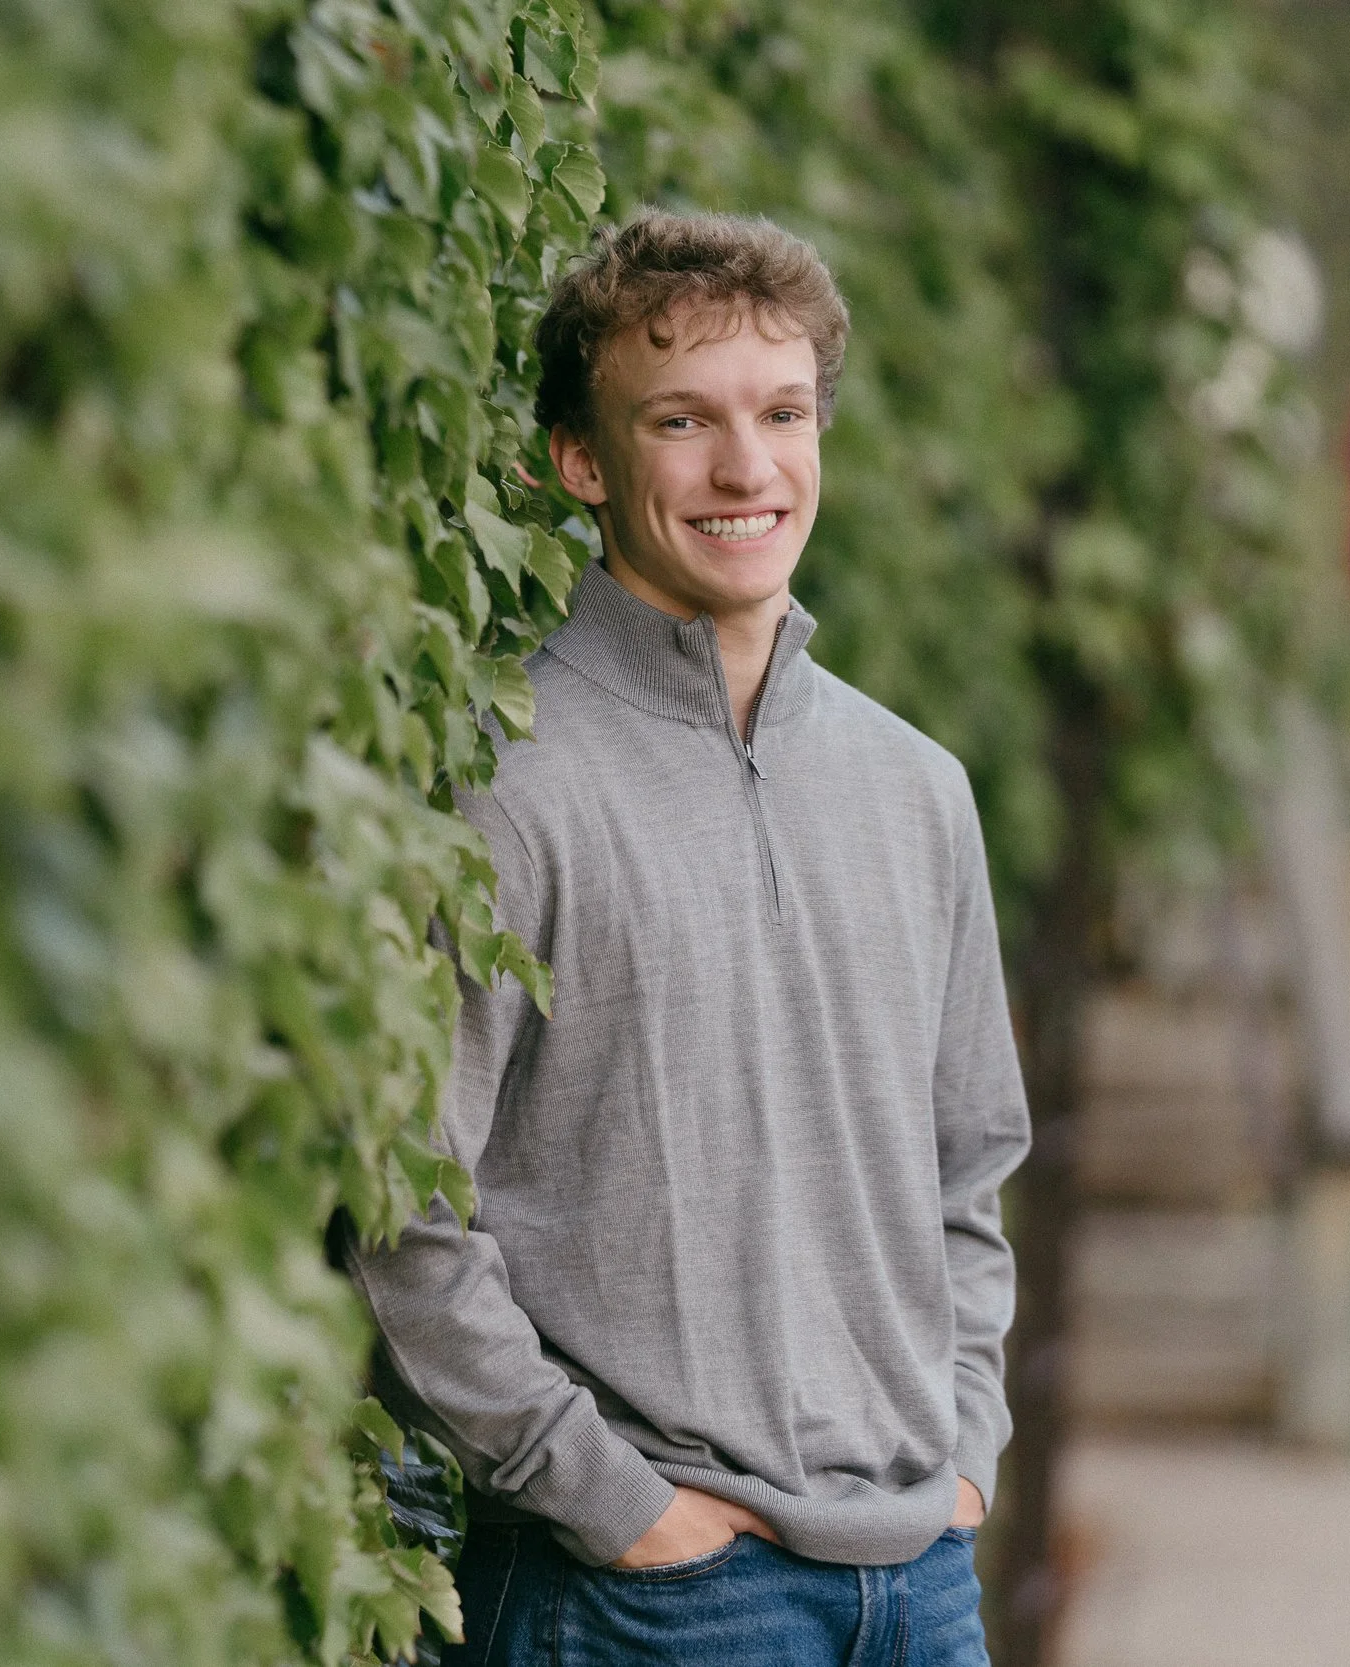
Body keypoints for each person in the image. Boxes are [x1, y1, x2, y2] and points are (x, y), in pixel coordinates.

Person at [350, 211, 1030, 1666]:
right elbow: (402, 1206)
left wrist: (966, 1445)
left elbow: (969, 1169)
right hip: (645, 1601)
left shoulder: (920, 790)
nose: (746, 468)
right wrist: (610, 1501)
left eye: (783, 413)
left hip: (922, 1589)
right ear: (580, 462)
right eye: (682, 420)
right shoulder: (499, 787)